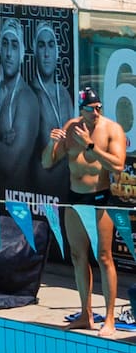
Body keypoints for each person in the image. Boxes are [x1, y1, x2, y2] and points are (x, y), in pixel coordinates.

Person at [43, 88, 131, 337]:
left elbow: (118, 165)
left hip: (100, 199)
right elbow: (47, 163)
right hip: (75, 199)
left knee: (104, 257)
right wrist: (52, 143)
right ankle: (86, 314)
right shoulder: (71, 128)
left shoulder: (112, 130)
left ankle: (110, 318)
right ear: (81, 111)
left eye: (99, 107)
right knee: (77, 256)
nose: (96, 112)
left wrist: (90, 146)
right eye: (91, 109)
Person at [0, 17, 42, 192]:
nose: (9, 53)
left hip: (18, 200)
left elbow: (11, 162)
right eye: (5, 44)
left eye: (14, 46)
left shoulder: (27, 100)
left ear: (22, 54)